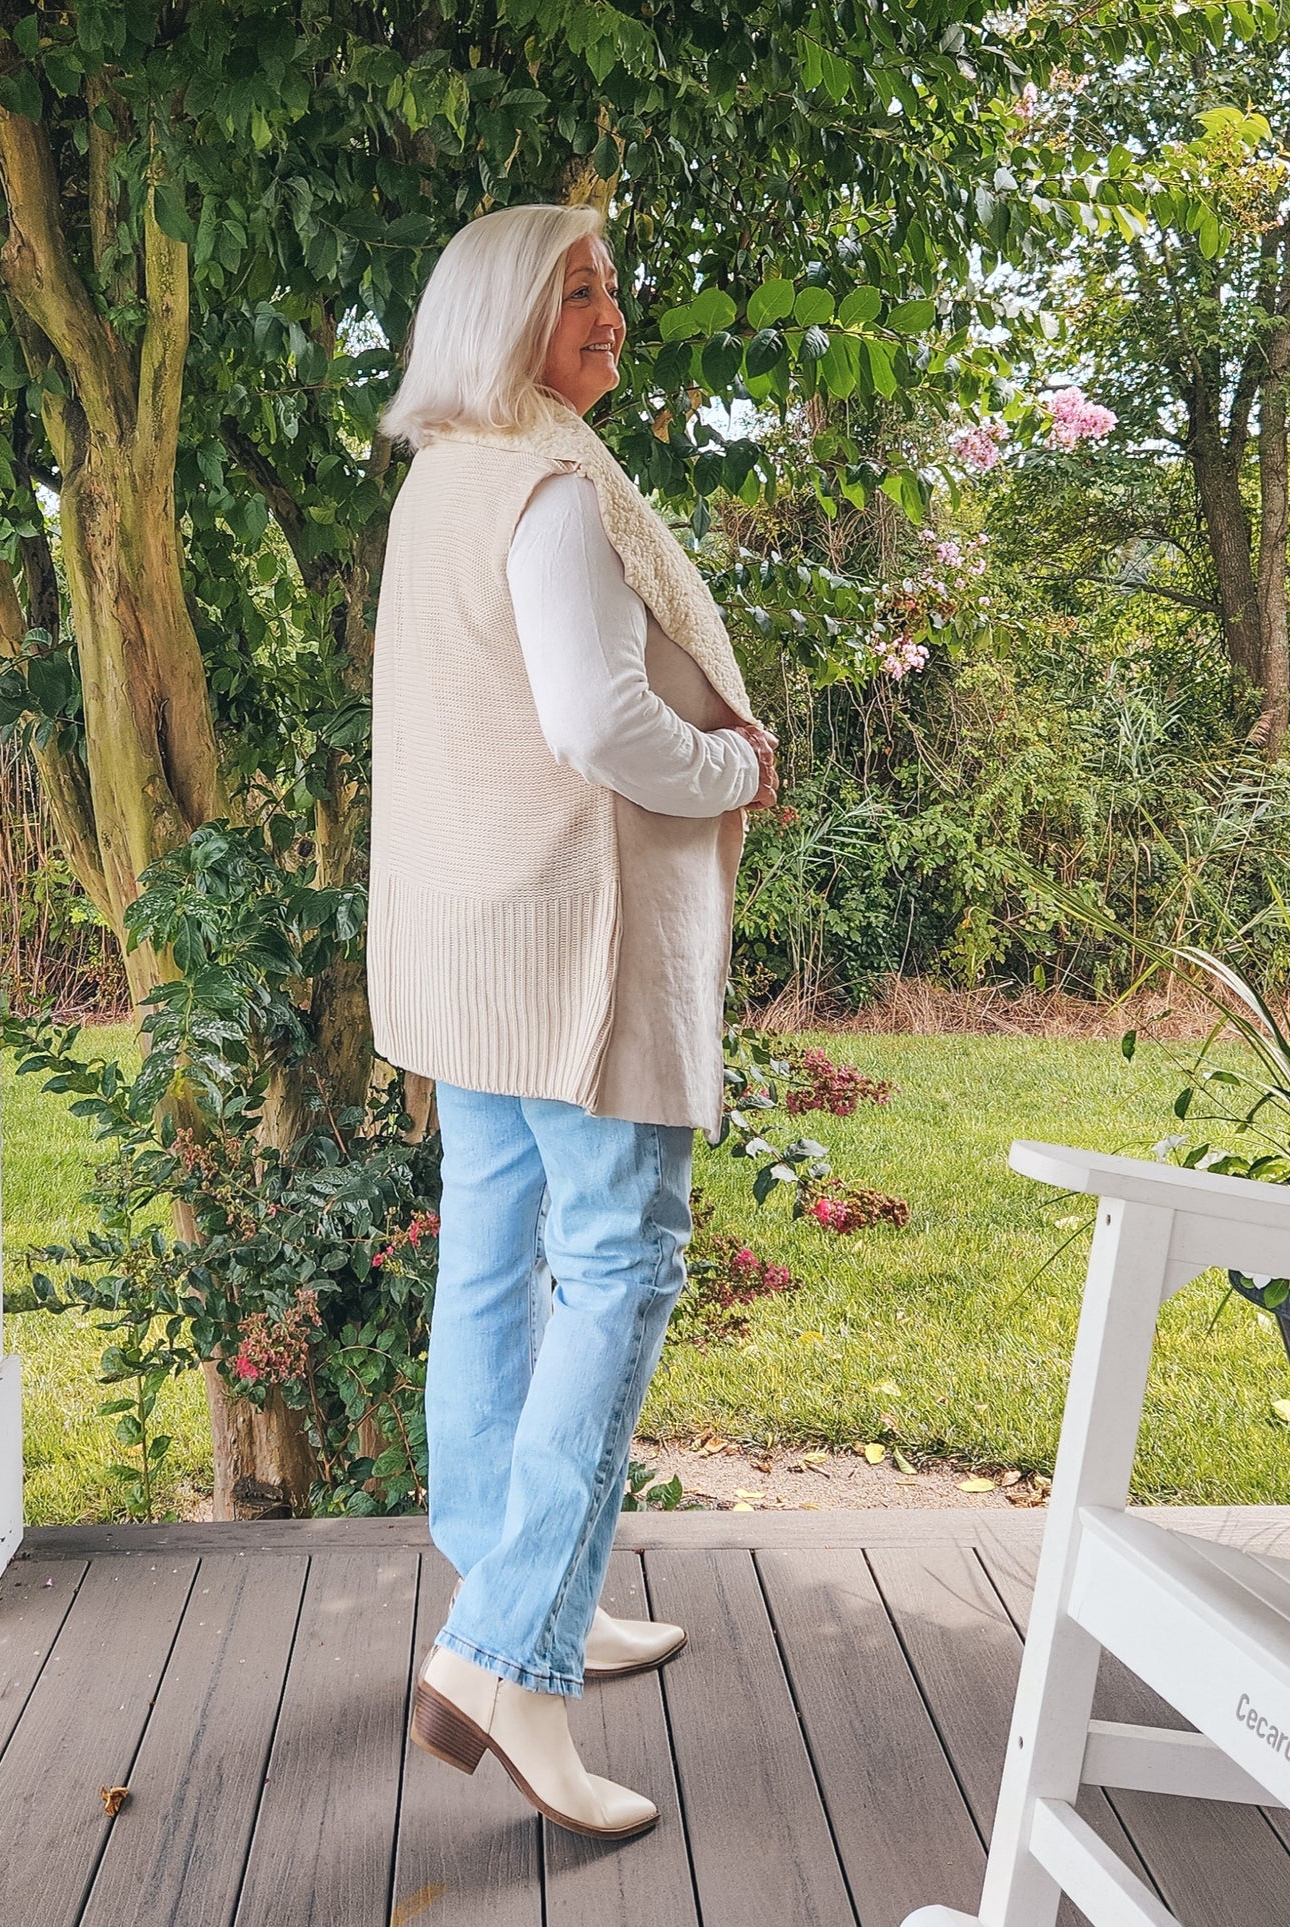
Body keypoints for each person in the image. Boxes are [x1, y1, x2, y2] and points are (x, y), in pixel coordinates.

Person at [368, 201, 778, 1840]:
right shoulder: (544, 490)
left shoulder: (447, 473)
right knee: (617, 1264)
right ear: (505, 320)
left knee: (494, 1247)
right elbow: (602, 719)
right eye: (579, 292)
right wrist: (734, 769)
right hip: (569, 943)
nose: (612, 312)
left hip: (472, 943)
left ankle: (519, 1583)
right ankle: (509, 1658)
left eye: (612, 286)